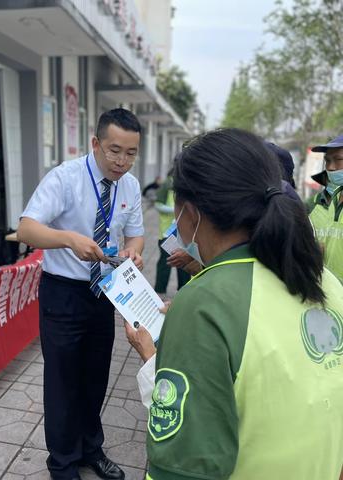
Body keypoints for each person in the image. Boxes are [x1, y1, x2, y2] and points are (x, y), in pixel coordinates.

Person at [126, 128, 343, 480]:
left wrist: (154, 359)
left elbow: (184, 466)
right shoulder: (324, 280)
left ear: (191, 213)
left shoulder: (204, 304)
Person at [17, 108, 144, 480]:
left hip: (104, 293)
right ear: (95, 143)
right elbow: (26, 229)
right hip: (64, 293)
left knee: (95, 377)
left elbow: (134, 233)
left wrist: (135, 251)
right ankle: (63, 464)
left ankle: (91, 449)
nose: (122, 161)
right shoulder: (65, 178)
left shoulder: (130, 186)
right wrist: (68, 240)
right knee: (63, 381)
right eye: (114, 150)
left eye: (131, 153)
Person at [309, 134, 343, 282]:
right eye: (327, 161)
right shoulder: (319, 203)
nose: (330, 167)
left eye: (339, 160)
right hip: (327, 297)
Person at [154, 165, 192, 296]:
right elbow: (158, 204)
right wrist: (174, 211)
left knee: (184, 261)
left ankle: (184, 289)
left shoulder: (189, 184)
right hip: (167, 232)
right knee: (166, 262)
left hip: (184, 233)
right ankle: (160, 289)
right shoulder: (167, 184)